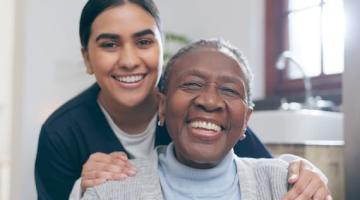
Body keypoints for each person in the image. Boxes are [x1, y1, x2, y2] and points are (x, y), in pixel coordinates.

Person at [34, 0, 331, 200]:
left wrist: (302, 170)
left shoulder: (196, 112)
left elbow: (264, 174)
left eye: (144, 42)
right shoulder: (61, 133)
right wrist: (81, 191)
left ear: (161, 49)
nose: (128, 60)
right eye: (109, 44)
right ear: (88, 59)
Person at [81, 38, 331, 200]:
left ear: (246, 119)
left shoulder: (289, 187)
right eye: (191, 84)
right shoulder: (110, 191)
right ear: (162, 105)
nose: (209, 101)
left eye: (230, 90)